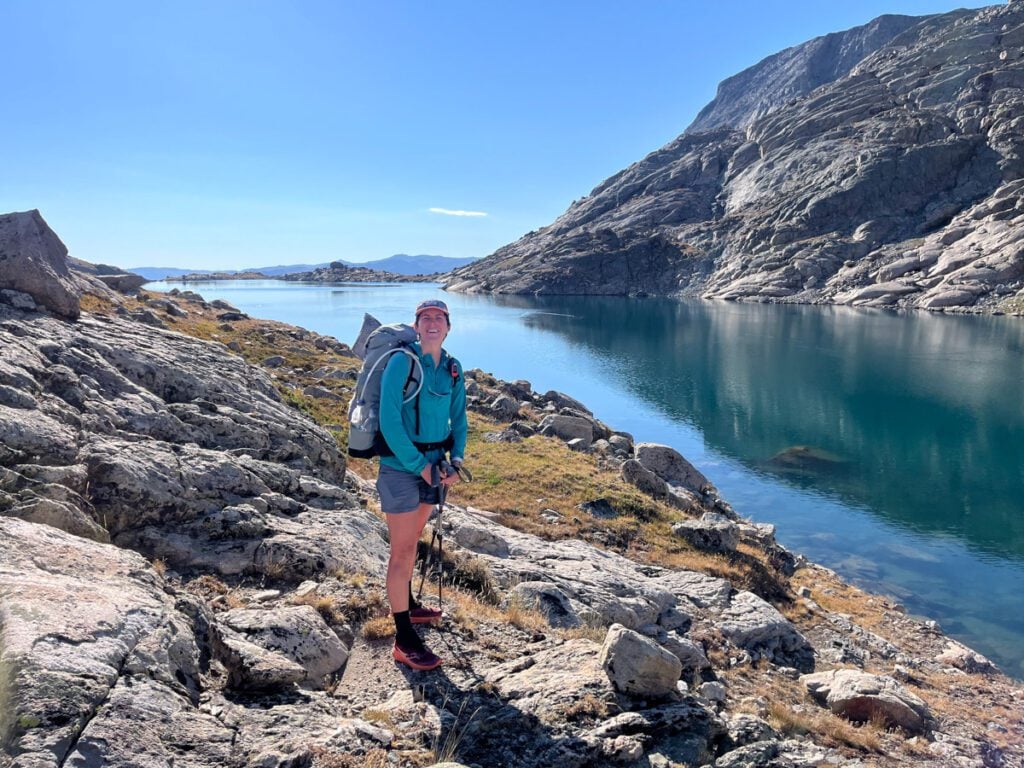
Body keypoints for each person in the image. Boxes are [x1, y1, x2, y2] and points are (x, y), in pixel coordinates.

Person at [376, 298, 467, 671]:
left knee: (413, 539)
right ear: (416, 326)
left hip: (435, 466)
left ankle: (409, 606)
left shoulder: (452, 367)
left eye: (439, 318)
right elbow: (389, 421)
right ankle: (403, 638)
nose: (432, 323)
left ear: (448, 326)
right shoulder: (402, 362)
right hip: (401, 468)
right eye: (425, 318)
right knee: (400, 551)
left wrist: (455, 461)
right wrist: (419, 466)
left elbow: (458, 419)